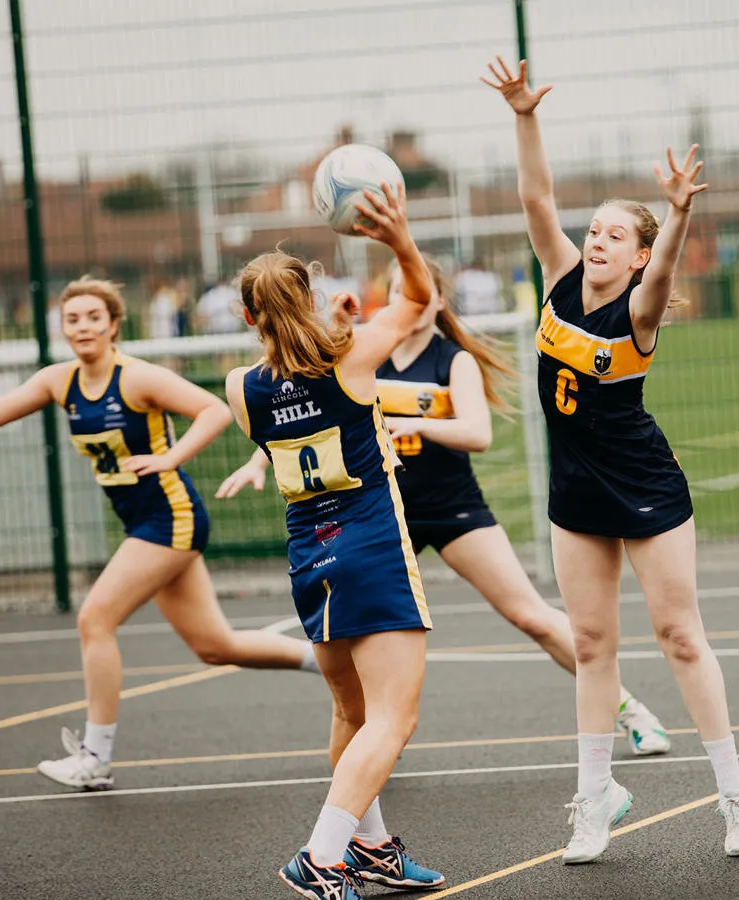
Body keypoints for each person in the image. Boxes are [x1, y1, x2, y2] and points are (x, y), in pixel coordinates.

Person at [484, 56, 739, 862]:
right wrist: (524, 115)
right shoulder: (558, 279)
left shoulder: (640, 309)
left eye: (615, 235)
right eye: (595, 230)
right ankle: (594, 800)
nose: (597, 240)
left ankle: (735, 800)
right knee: (592, 645)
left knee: (680, 634)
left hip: (644, 483)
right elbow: (537, 198)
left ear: (637, 257)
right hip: (576, 489)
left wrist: (675, 212)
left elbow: (671, 262)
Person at [0, 277, 323, 791]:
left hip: (170, 518)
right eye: (72, 319)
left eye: (93, 317)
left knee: (94, 618)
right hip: (144, 523)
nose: (82, 327)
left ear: (114, 325)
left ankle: (96, 757)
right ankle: (328, 664)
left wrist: (171, 458)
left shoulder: (135, 379)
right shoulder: (58, 381)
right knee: (215, 646)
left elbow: (215, 410)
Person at [220, 255, 673, 756]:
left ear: (435, 301)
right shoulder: (365, 348)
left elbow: (477, 433)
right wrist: (258, 463)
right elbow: (305, 413)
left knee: (530, 614)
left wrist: (420, 426)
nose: (405, 300)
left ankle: (630, 709)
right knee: (355, 651)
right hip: (381, 519)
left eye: (414, 291)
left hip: (452, 507)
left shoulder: (451, 359)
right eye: (393, 291)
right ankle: (362, 765)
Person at [223, 183, 444, 900]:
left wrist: (328, 328)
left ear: (248, 315)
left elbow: (287, 397)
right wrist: (399, 238)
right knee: (394, 719)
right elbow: (417, 302)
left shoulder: (238, 386)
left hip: (308, 555)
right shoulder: (350, 358)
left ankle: (372, 846)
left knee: (352, 713)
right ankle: (320, 856)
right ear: (311, 299)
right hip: (371, 546)